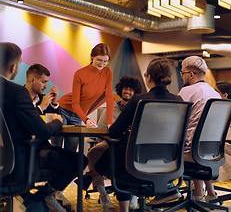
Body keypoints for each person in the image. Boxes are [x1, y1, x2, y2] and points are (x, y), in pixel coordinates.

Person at [0, 42, 88, 212]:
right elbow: (41, 130)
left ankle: (31, 198)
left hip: (4, 157)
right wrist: (58, 121)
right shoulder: (17, 92)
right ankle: (37, 198)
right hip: (19, 160)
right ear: (14, 67)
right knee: (79, 160)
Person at [94, 57, 183, 212]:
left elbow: (114, 131)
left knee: (111, 160)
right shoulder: (179, 100)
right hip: (168, 160)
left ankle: (124, 208)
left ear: (148, 77)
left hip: (136, 160)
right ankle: (167, 188)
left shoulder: (139, 100)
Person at [80, 75, 142, 212]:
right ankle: (103, 196)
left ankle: (132, 193)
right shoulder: (110, 107)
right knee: (93, 152)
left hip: (129, 145)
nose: (128, 92)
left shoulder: (138, 107)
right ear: (121, 89)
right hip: (109, 142)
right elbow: (100, 131)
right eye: (126, 88)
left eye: (132, 90)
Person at [24, 63, 71, 207]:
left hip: (44, 145)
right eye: (43, 82)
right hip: (27, 149)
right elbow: (27, 124)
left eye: (47, 82)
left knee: (80, 161)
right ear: (32, 80)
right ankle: (44, 197)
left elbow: (56, 121)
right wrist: (41, 108)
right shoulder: (20, 97)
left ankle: (46, 194)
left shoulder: (43, 99)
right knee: (71, 161)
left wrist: (55, 103)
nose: (45, 86)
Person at [54, 43, 114, 152]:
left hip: (78, 115)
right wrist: (86, 120)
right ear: (92, 57)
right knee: (56, 148)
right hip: (63, 110)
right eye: (99, 60)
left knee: (71, 150)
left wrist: (110, 123)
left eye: (106, 61)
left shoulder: (107, 73)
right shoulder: (80, 73)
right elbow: (75, 103)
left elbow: (109, 98)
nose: (102, 64)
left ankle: (68, 170)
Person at [178, 55, 221, 203]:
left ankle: (196, 196)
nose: (182, 77)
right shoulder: (215, 94)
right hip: (212, 151)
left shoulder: (186, 92)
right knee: (196, 138)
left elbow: (177, 121)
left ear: (191, 74)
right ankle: (209, 192)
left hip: (190, 151)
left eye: (182, 73)